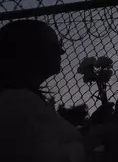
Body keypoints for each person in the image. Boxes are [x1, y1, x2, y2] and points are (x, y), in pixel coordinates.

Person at [0, 19, 112, 162]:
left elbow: (48, 140)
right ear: (28, 50)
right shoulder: (15, 102)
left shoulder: (24, 100)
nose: (62, 51)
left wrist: (90, 125)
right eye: (55, 45)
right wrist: (89, 142)